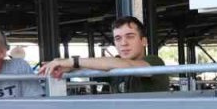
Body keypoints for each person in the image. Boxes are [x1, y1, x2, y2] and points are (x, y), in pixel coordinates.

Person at [38, 16, 170, 94]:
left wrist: (73, 62)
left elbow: (124, 64)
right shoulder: (114, 64)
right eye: (118, 39)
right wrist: (67, 67)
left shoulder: (155, 61)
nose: (123, 43)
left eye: (130, 36)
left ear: (144, 41)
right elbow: (96, 65)